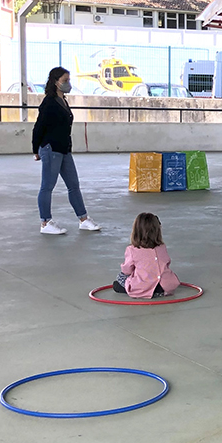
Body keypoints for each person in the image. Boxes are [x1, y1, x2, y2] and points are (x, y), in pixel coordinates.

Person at [32, 66, 99, 235]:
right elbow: (39, 127)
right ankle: (45, 222)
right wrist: (36, 149)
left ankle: (83, 220)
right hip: (51, 148)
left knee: (73, 186)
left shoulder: (63, 101)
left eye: (69, 80)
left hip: (64, 150)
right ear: (56, 82)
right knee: (47, 186)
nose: (68, 83)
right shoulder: (49, 102)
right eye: (65, 81)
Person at [112, 212, 180, 299]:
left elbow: (127, 270)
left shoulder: (132, 249)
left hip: (143, 288)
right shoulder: (162, 247)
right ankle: (156, 289)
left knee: (120, 279)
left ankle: (143, 290)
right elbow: (167, 262)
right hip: (165, 287)